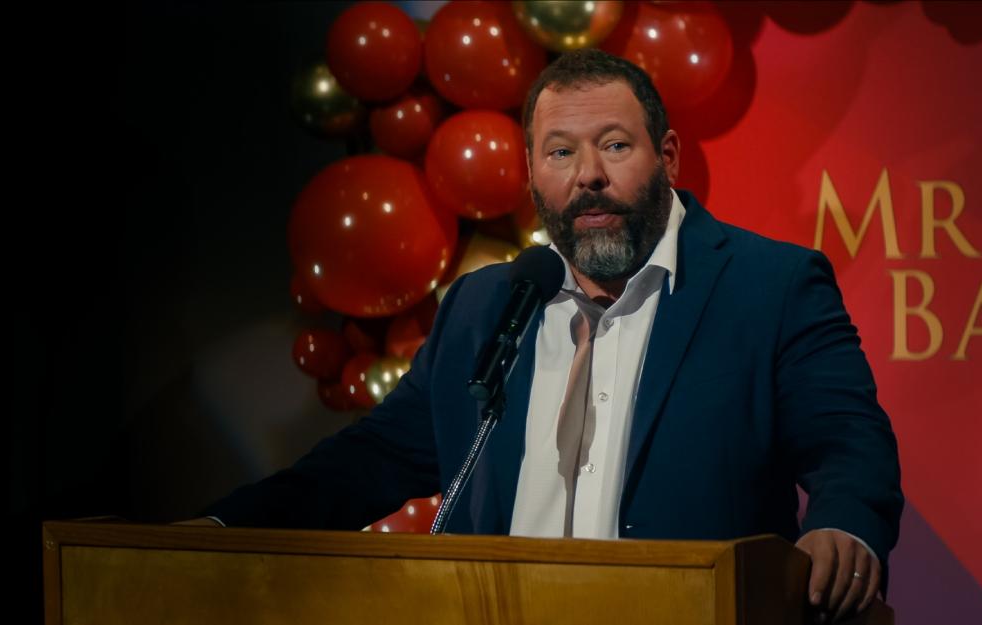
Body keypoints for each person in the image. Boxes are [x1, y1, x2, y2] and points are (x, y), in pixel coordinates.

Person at [186, 49, 902, 623]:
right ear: (532, 174)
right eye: (559, 153)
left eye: (614, 145)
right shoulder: (485, 304)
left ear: (668, 156)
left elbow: (848, 442)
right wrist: (220, 530)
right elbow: (374, 458)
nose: (588, 175)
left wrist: (845, 528)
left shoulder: (769, 285)